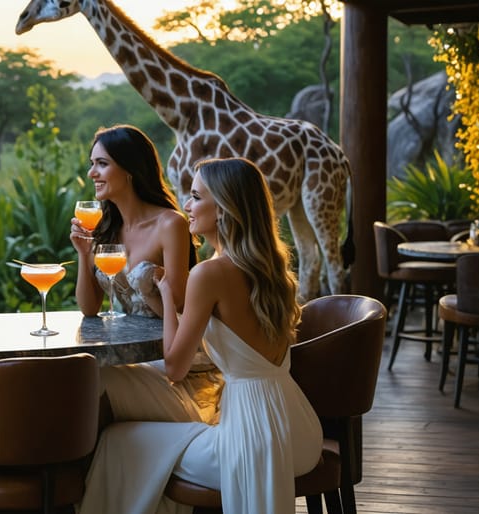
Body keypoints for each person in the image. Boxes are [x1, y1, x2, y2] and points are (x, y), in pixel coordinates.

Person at [79, 158, 323, 514]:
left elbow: (176, 367)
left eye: (195, 197)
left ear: (224, 209)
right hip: (299, 433)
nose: (187, 206)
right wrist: (157, 295)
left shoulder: (209, 273)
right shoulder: (271, 268)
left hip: (249, 441)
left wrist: (163, 292)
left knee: (120, 441)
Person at [70, 124, 222, 424]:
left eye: (102, 164)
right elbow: (89, 308)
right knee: (76, 377)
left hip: (167, 356)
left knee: (87, 385)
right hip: (124, 354)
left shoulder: (170, 224)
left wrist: (152, 289)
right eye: (92, 164)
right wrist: (83, 253)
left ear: (129, 169)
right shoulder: (106, 228)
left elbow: (178, 308)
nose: (92, 174)